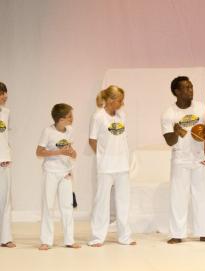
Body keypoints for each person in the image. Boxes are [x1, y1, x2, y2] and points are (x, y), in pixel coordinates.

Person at [161, 76, 205, 243]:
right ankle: (177, 234)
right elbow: (169, 141)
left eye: (191, 87)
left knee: (202, 196)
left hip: (200, 158)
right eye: (186, 88)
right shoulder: (169, 113)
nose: (190, 90)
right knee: (178, 197)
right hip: (180, 159)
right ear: (177, 92)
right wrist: (175, 132)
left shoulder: (201, 108)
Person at [88, 85, 135, 247]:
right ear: (109, 100)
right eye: (119, 101)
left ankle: (125, 236)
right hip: (105, 167)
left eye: (122, 100)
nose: (122, 104)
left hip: (122, 166)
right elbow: (92, 140)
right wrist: (102, 157)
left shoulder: (122, 115)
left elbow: (122, 139)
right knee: (102, 202)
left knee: (123, 202)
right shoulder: (98, 116)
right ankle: (97, 237)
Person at [36, 103, 79, 250]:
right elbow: (39, 152)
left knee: (67, 206)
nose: (72, 118)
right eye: (69, 116)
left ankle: (69, 240)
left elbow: (72, 152)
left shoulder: (70, 131)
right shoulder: (48, 132)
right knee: (48, 206)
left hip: (65, 173)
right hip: (51, 172)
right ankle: (46, 241)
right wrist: (58, 152)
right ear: (60, 119)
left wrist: (72, 153)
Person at [0, 82, 15, 248]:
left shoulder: (6, 112)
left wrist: (6, 154)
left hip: (4, 161)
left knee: (5, 201)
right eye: (1, 93)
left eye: (5, 92)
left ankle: (5, 238)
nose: (5, 96)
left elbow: (4, 137)